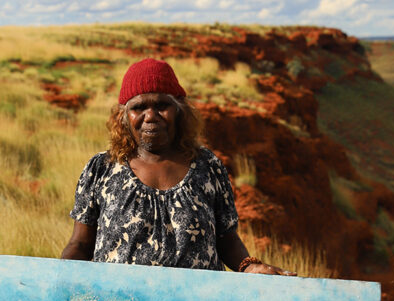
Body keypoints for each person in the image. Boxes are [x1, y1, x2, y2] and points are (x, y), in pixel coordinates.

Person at [60, 58, 294, 276]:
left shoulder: (208, 167)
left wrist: (249, 266)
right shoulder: (101, 168)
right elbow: (80, 244)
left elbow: (227, 240)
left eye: (162, 105)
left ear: (180, 110)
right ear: (123, 116)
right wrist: (55, 282)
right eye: (139, 107)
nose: (150, 116)